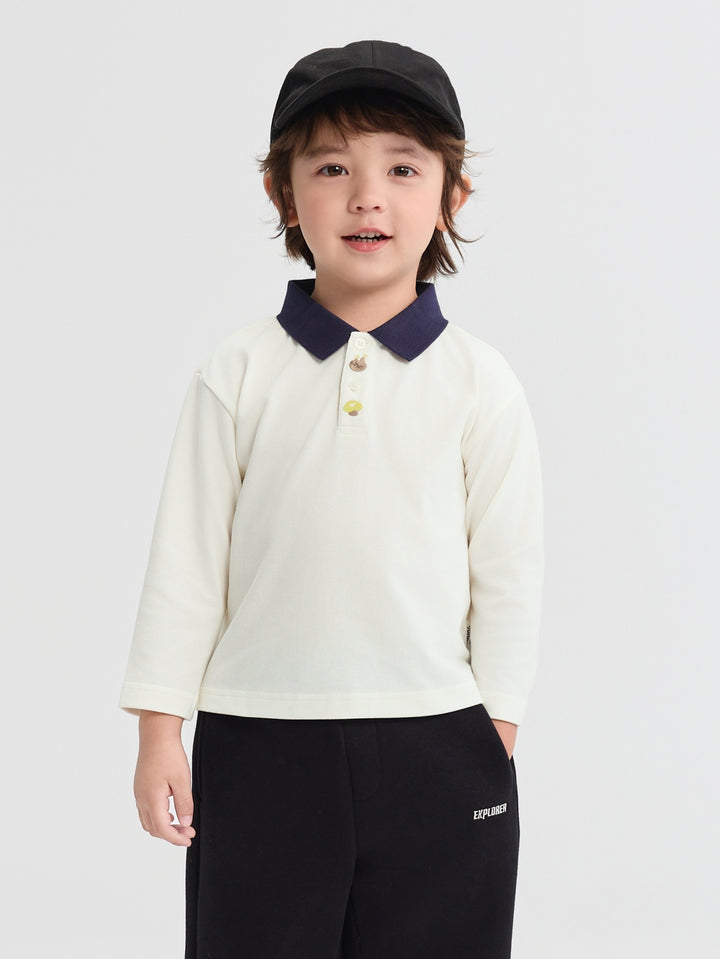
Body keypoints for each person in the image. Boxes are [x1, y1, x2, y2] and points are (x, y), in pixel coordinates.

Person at [119, 39, 545, 959]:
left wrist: (496, 728)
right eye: (331, 168)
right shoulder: (238, 370)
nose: (367, 197)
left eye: (402, 167)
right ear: (283, 193)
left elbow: (508, 571)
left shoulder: (481, 381)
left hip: (440, 739)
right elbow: (186, 560)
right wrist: (161, 730)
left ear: (453, 196)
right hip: (259, 739)